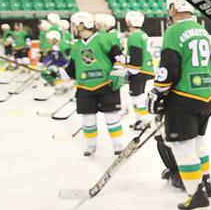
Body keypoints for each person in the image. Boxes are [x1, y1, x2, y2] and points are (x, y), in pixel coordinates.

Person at [149, 0, 211, 210]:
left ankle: (196, 195)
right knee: (198, 142)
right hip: (206, 95)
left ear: (173, 8)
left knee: (182, 146)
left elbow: (168, 67)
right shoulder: (201, 30)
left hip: (184, 98)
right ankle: (206, 186)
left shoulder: (174, 31)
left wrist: (158, 92)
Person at [65, 12, 126, 157]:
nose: (74, 28)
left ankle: (118, 145)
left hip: (106, 85)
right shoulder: (76, 46)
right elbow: (71, 69)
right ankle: (90, 145)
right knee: (88, 119)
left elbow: (118, 56)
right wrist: (57, 73)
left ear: (81, 25)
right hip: (84, 88)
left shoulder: (103, 38)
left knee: (111, 116)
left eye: (75, 24)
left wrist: (118, 68)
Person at [122, 10, 154, 130]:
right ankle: (140, 120)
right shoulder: (143, 34)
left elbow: (136, 57)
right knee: (138, 97)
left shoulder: (134, 36)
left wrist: (129, 71)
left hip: (139, 71)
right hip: (146, 69)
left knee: (137, 97)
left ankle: (144, 121)